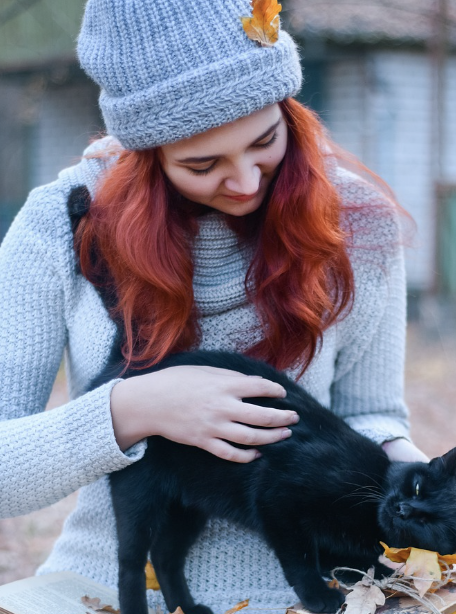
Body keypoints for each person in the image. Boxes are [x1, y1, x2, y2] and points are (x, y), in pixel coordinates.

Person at [0, 0, 427, 611]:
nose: (247, 182)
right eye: (202, 163)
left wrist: (414, 481)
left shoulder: (353, 222)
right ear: (145, 152)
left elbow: (374, 417)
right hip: (103, 591)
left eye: (265, 140)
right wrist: (132, 406)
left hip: (323, 591)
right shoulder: (63, 222)